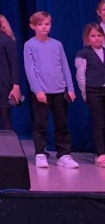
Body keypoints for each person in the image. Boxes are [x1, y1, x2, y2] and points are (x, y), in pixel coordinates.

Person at [24, 11, 78, 169]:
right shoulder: (30, 45)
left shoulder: (57, 44)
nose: (44, 27)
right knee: (41, 123)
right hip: (42, 92)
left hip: (60, 90)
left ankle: (64, 155)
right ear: (33, 26)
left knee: (62, 123)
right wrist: (38, 90)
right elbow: (30, 69)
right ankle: (40, 154)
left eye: (47, 24)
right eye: (40, 24)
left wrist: (70, 88)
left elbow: (65, 66)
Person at [74, 23, 105, 167]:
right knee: (99, 122)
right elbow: (81, 75)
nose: (97, 38)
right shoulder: (83, 54)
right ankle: (101, 154)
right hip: (94, 91)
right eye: (93, 36)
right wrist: (85, 92)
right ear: (87, 38)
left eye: (99, 35)